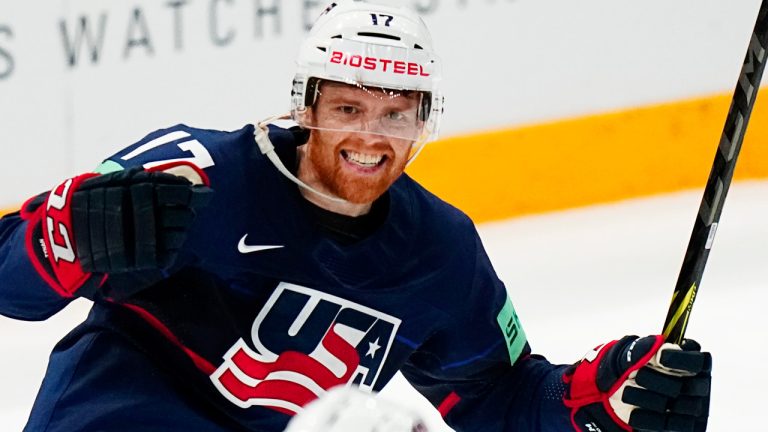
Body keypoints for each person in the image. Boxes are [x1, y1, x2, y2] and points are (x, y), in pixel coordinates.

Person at [0, 1, 711, 431]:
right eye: (348, 108)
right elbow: (11, 277)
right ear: (305, 106)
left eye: (396, 114)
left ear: (425, 122)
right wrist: (59, 236)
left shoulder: (440, 253)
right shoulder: (195, 176)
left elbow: (500, 400)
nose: (372, 136)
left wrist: (603, 397)